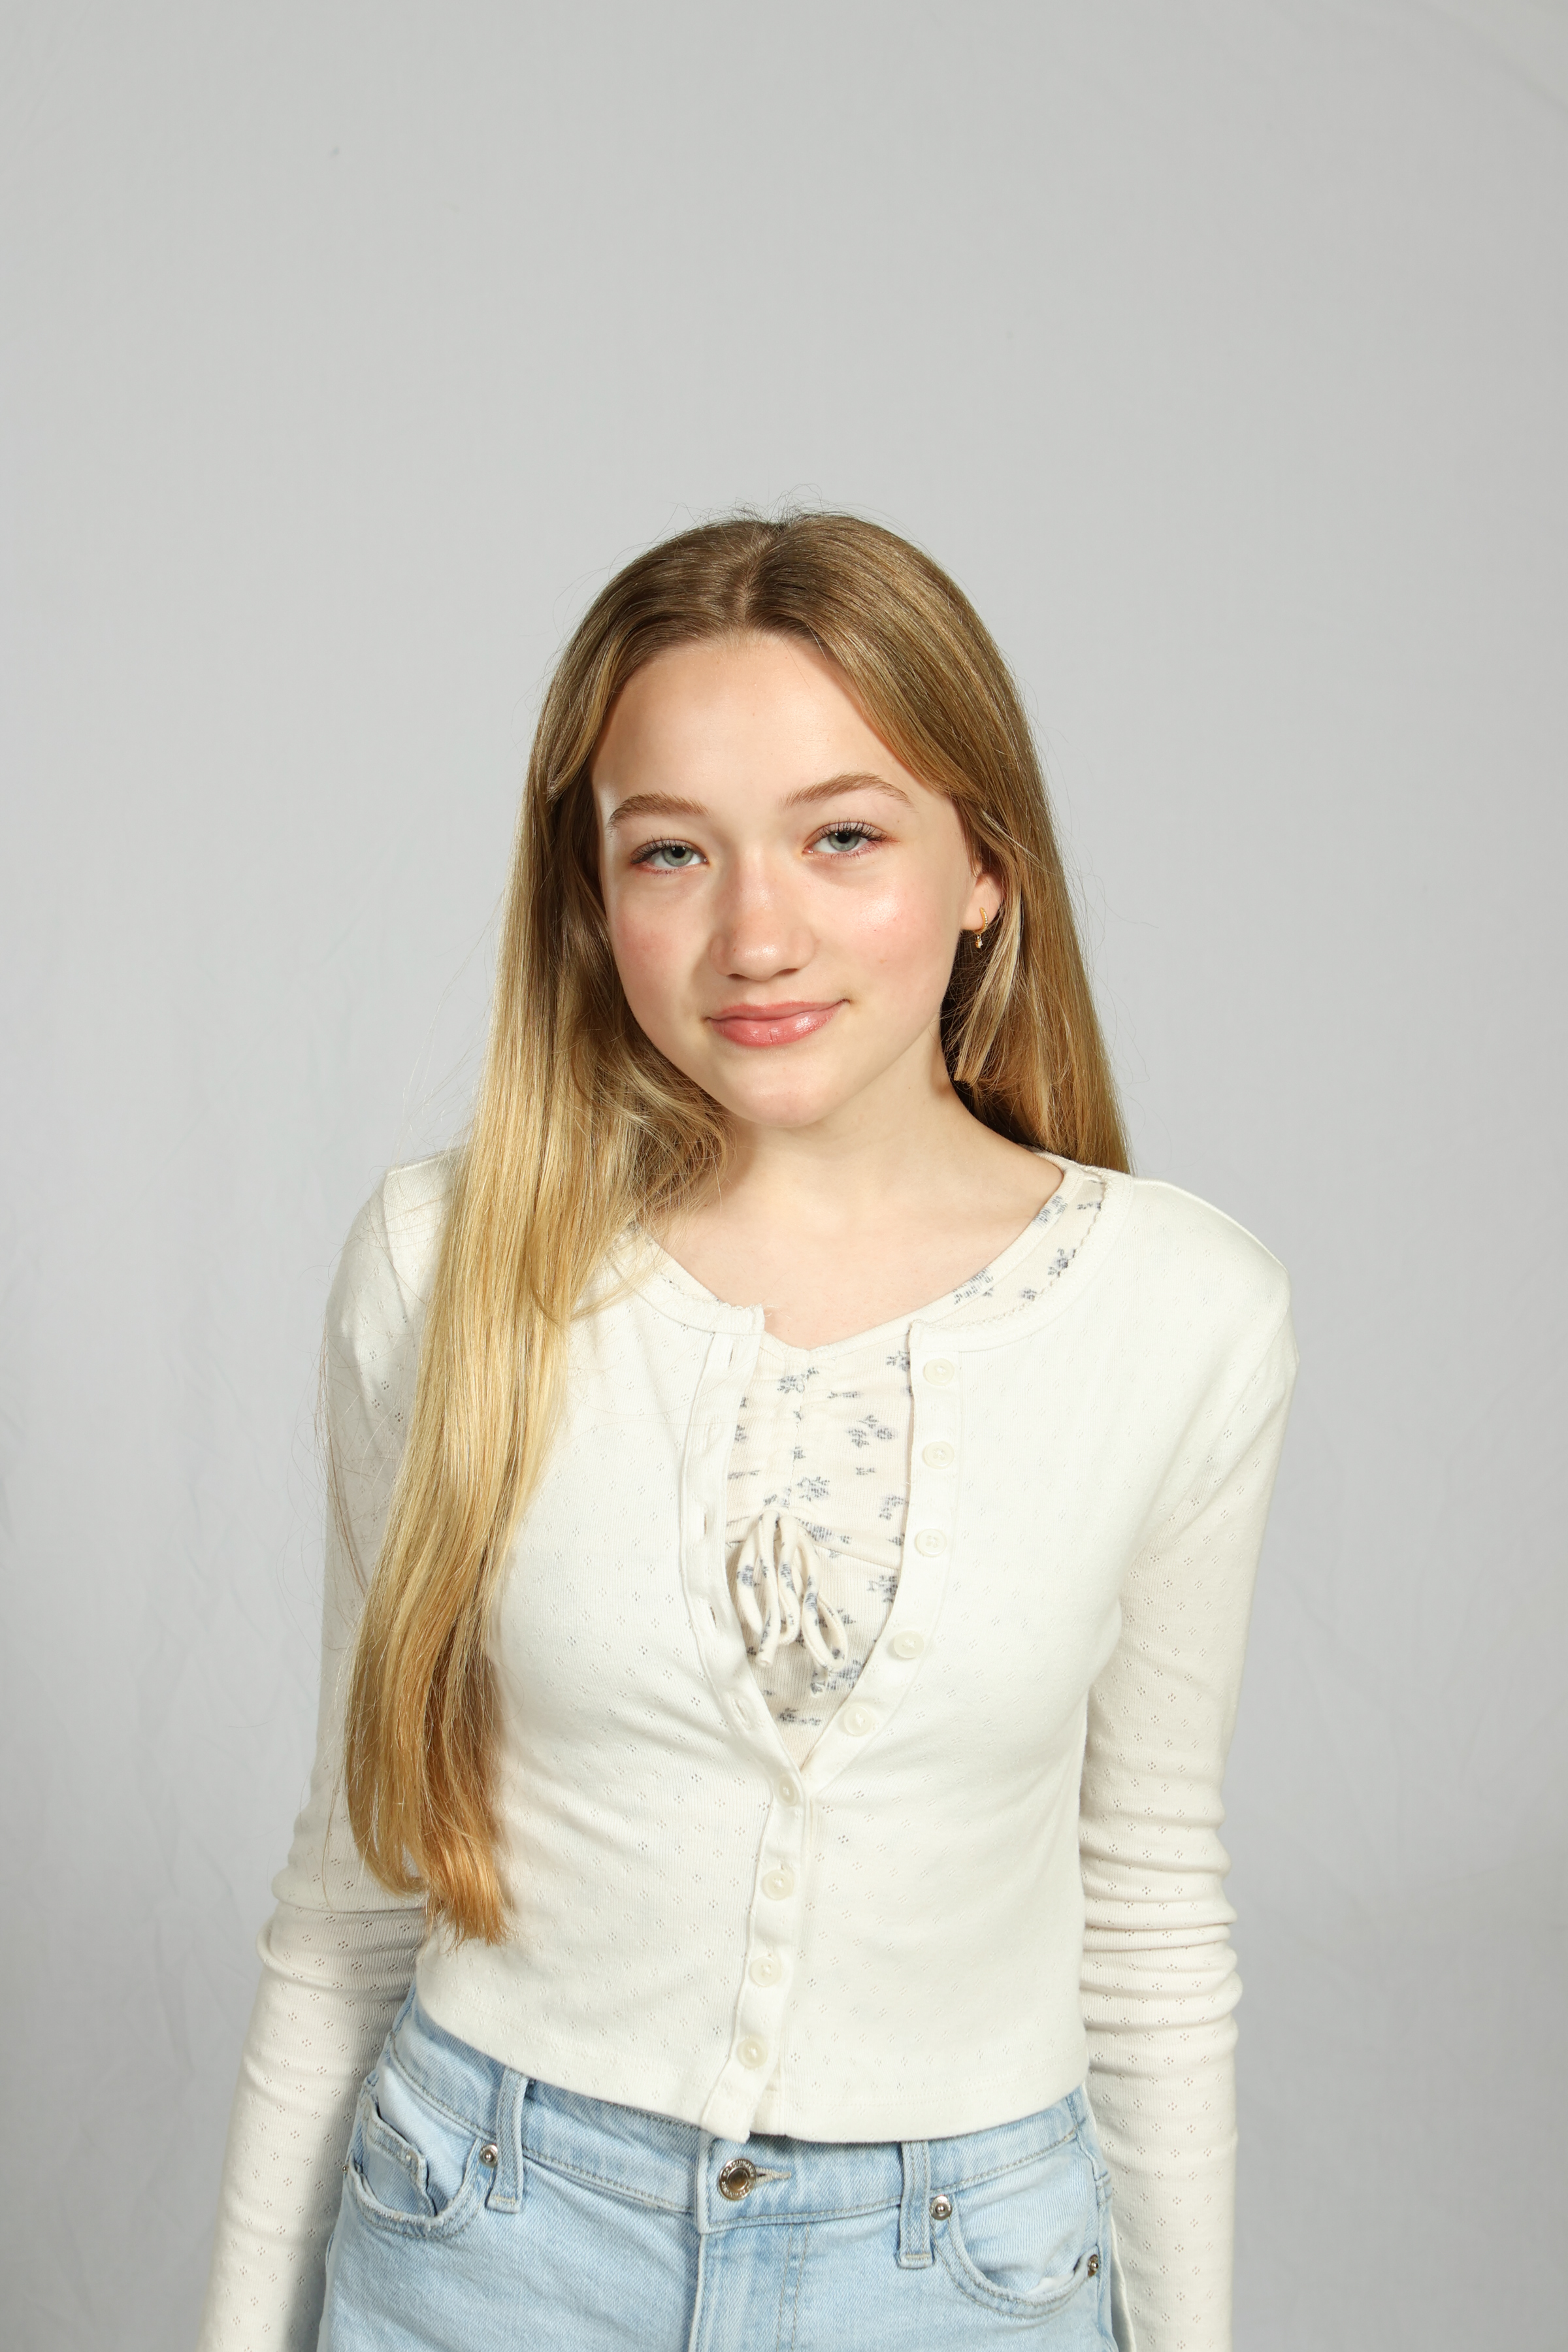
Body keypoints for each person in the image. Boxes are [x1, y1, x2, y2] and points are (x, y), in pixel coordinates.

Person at [197, 512, 1296, 2352]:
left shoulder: (1184, 1315)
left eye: (842, 836)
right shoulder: (445, 1267)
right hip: (484, 2243)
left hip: (965, 2277)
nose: (755, 936)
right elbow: (351, 1896)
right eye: (672, 852)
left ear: (987, 869)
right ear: (590, 896)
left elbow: (1148, 1920)